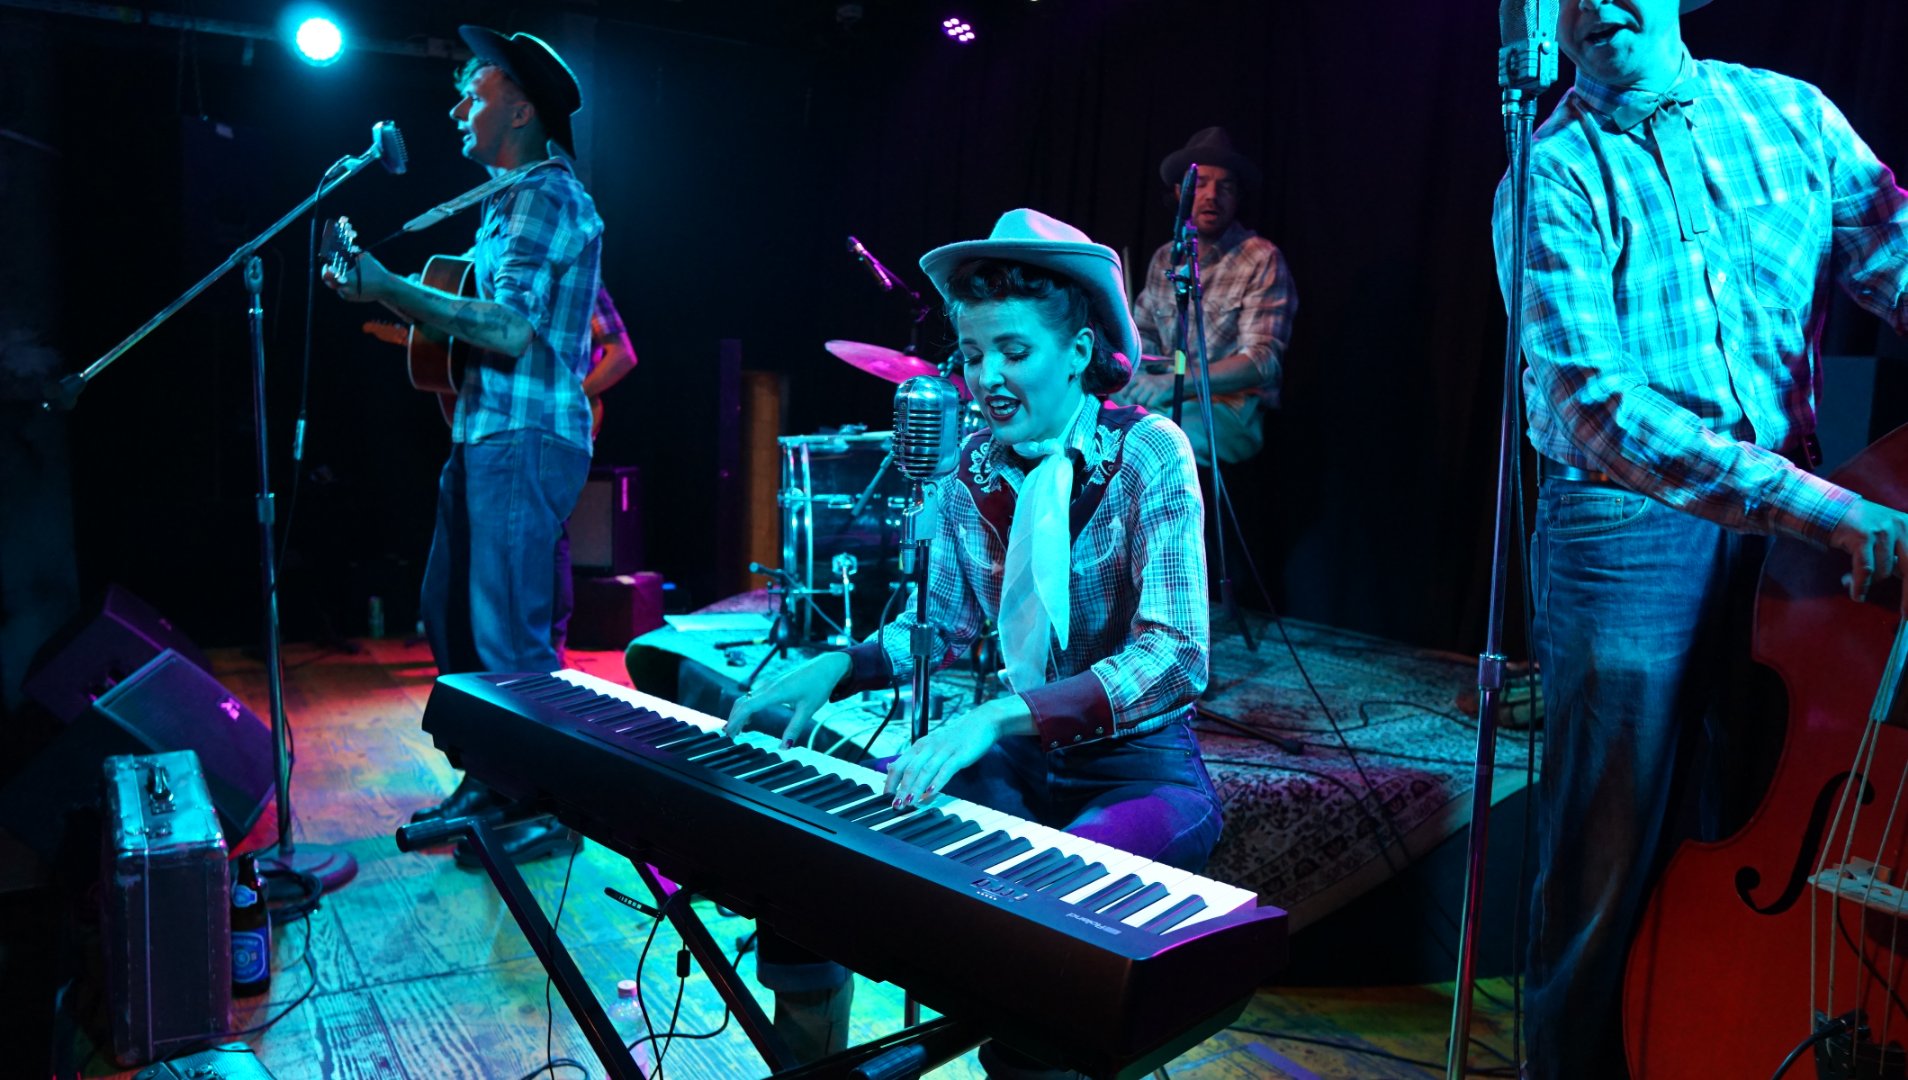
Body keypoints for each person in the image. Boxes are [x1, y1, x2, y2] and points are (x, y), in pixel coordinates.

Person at [1493, 0, 1908, 1075]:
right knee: (1608, 853)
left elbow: (1897, 258)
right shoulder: (1550, 172)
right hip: (1626, 525)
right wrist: (1824, 508)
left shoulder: (1790, 114)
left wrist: (1809, 507)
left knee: (1754, 809)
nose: (1595, 7)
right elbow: (1595, 405)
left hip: (1792, 515)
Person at [725, 209, 1226, 1077]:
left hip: (1142, 772)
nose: (986, 378)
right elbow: (942, 629)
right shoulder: (971, 474)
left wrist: (998, 716)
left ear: (1078, 352)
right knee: (821, 857)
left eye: (1014, 351)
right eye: (971, 353)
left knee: (1047, 929)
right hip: (1023, 764)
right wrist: (837, 665)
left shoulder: (1150, 452)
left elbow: (1177, 655)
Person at [324, 25, 605, 865]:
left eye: (472, 95)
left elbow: (509, 329)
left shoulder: (543, 196)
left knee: (509, 632)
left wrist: (388, 285)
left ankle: (547, 803)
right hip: (484, 429)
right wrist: (388, 293)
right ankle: (493, 774)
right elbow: (466, 324)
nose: (454, 110)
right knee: (452, 613)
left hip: (524, 433)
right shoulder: (501, 202)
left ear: (519, 110)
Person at [1113, 126, 1296, 466]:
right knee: (1092, 420)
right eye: (1200, 184)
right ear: (1181, 192)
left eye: (1225, 186)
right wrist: (1134, 376)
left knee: (1156, 442)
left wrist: (1174, 383)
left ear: (1237, 197)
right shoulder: (1165, 258)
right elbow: (1144, 336)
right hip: (1164, 396)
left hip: (1230, 408)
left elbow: (1262, 362)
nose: (1212, 195)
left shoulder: (1261, 258)